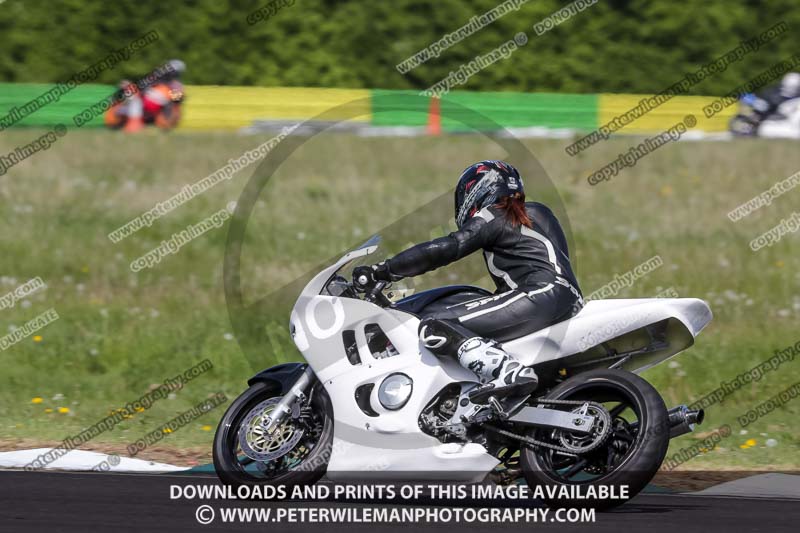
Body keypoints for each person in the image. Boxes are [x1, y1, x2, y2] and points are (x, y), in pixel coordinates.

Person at [353, 160, 584, 402]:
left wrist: (383, 270)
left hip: (539, 296)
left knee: (435, 323)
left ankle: (506, 371)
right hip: (567, 299)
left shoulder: (496, 213)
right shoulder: (540, 214)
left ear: (478, 189)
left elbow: (448, 247)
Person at [109, 59, 186, 132]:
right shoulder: (154, 78)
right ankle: (127, 122)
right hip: (141, 106)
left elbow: (176, 106)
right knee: (131, 93)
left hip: (155, 112)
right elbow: (138, 88)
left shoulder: (175, 86)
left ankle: (134, 124)